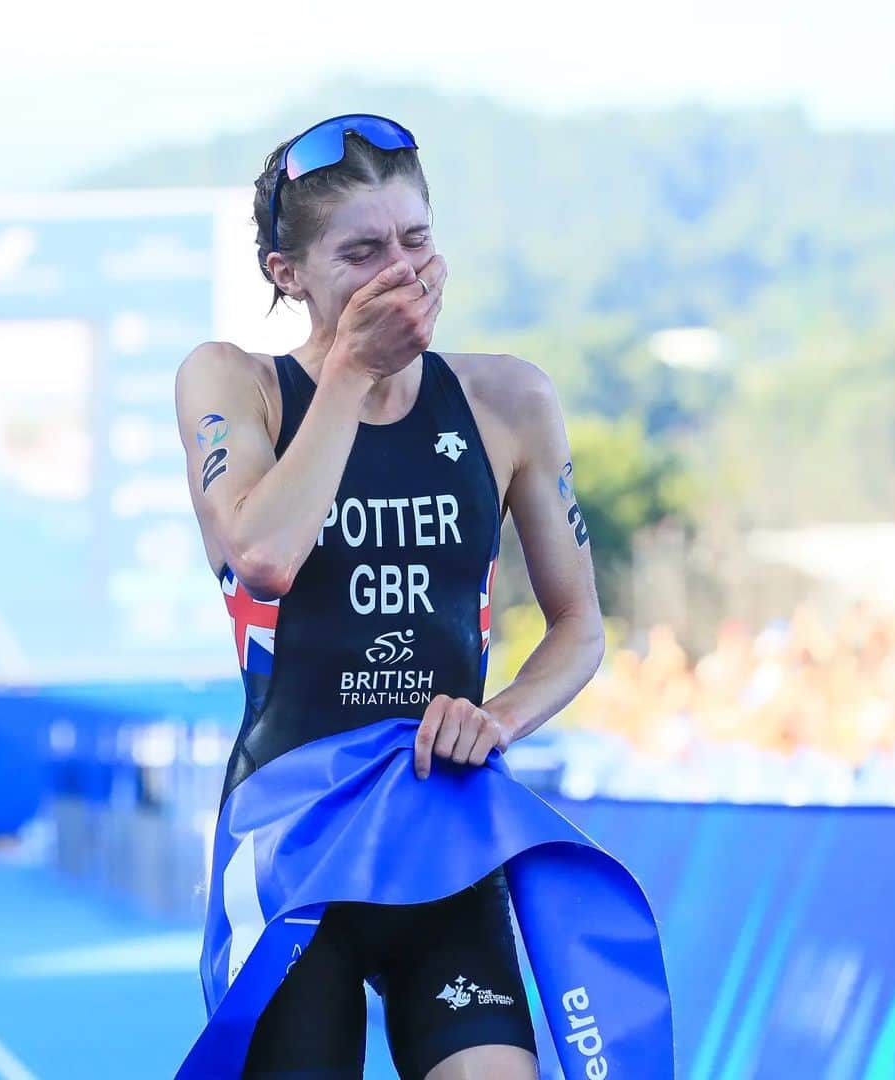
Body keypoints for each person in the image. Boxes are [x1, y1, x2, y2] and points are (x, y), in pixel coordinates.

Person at [175, 113, 606, 1080]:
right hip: (293, 840)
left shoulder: (509, 400)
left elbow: (579, 627)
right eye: (361, 252)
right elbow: (264, 557)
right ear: (288, 272)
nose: (399, 275)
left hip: (440, 829)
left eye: (415, 243)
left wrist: (496, 719)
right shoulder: (237, 385)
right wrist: (350, 373)